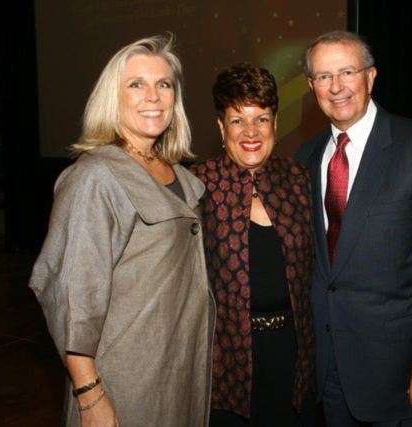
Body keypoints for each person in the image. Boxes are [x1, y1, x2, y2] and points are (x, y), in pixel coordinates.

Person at [28, 35, 215, 427]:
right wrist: (90, 395)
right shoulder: (95, 176)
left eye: (164, 84)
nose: (153, 96)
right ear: (113, 97)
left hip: (180, 373)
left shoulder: (179, 175)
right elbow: (72, 297)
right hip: (126, 381)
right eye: (136, 84)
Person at [295, 30, 412, 427]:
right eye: (323, 76)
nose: (336, 87)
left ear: (370, 77)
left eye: (347, 72)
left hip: (402, 375)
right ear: (311, 85)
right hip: (330, 371)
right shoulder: (305, 157)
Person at [190, 62, 316, 427]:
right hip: (226, 361)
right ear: (221, 127)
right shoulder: (197, 185)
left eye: (261, 119)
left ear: (275, 123)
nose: (250, 132)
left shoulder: (298, 178)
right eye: (237, 120)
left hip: (294, 355)